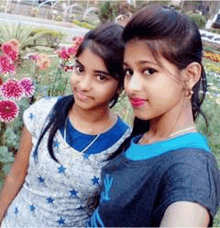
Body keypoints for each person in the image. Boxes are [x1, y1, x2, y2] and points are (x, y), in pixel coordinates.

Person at [88, 5, 220, 227]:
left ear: (190, 75)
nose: (131, 86)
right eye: (129, 71)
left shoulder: (190, 170)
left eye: (149, 71)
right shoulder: (144, 138)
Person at [0, 23, 131, 227]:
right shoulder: (43, 114)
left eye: (101, 77)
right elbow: (15, 176)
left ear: (121, 85)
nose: (83, 85)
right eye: (80, 69)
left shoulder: (123, 143)